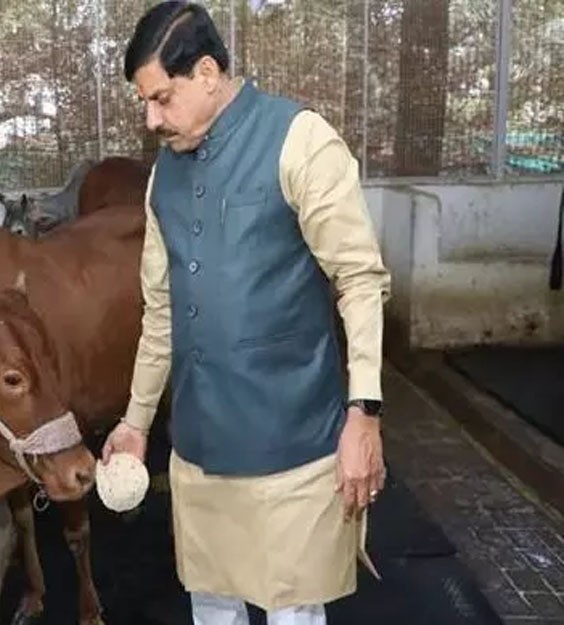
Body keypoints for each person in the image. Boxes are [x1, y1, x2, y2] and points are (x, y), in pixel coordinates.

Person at [101, 3, 392, 624]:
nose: (152, 120)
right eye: (145, 104)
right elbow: (161, 311)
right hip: (199, 453)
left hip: (293, 448)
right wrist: (135, 422)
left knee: (293, 611)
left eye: (161, 98)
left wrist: (363, 414)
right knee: (212, 608)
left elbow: (360, 280)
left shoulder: (300, 140)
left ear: (207, 73)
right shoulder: (162, 179)